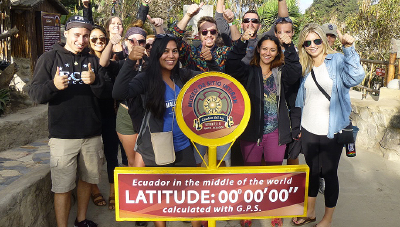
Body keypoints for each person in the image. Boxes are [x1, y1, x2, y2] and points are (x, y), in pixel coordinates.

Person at [113, 34, 218, 227]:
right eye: (165, 51)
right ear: (156, 54)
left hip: (184, 144)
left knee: (190, 197)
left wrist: (211, 63)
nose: (171, 56)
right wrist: (129, 62)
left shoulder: (182, 75)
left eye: (175, 51)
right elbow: (118, 93)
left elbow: (213, 80)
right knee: (159, 198)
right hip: (157, 146)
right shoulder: (145, 78)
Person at [28, 15, 106, 227]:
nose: (81, 40)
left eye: (86, 36)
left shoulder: (92, 60)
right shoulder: (49, 58)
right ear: (66, 34)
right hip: (63, 136)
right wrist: (53, 86)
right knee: (62, 186)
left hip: (91, 134)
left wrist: (96, 81)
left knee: (87, 180)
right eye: (77, 35)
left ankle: (81, 220)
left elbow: (106, 94)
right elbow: (35, 94)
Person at [226, 29, 301, 227]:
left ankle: (274, 211)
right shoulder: (247, 71)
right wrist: (242, 41)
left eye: (273, 50)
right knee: (250, 174)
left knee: (274, 174)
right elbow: (231, 65)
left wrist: (289, 47)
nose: (268, 53)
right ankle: (249, 210)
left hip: (275, 132)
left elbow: (295, 73)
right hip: (251, 132)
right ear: (258, 49)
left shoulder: (280, 72)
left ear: (277, 53)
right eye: (265, 48)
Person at [292, 23, 365, 227]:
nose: (312, 45)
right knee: (312, 172)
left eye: (316, 40)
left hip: (331, 130)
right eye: (308, 42)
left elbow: (357, 77)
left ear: (324, 41)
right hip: (308, 129)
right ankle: (311, 212)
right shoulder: (305, 65)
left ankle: (328, 218)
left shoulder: (338, 60)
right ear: (303, 45)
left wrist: (349, 48)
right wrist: (297, 127)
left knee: (329, 174)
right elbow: (301, 97)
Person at [170, 2, 234, 167]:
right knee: (196, 161)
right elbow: (173, 40)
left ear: (217, 33)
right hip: (195, 115)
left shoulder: (224, 52)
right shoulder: (190, 52)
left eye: (212, 31)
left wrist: (212, 60)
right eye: (204, 32)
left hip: (221, 113)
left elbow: (238, 52)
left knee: (222, 161)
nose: (209, 35)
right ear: (198, 35)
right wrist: (188, 16)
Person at [215, 0, 289, 65]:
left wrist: (281, 1)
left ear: (259, 26)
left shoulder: (265, 39)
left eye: (254, 21)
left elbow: (282, 20)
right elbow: (219, 19)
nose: (250, 24)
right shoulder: (232, 38)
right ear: (241, 25)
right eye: (246, 21)